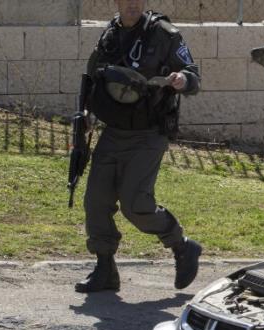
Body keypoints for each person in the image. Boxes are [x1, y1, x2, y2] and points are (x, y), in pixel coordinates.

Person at [76, 0, 202, 293]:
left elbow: (193, 73)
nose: (132, 5)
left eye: (137, 0)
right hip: (114, 131)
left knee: (135, 203)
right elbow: (95, 77)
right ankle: (105, 269)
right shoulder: (110, 33)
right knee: (96, 199)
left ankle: (182, 246)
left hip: (148, 133)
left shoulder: (164, 34)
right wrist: (87, 114)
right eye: (126, 0)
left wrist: (182, 79)